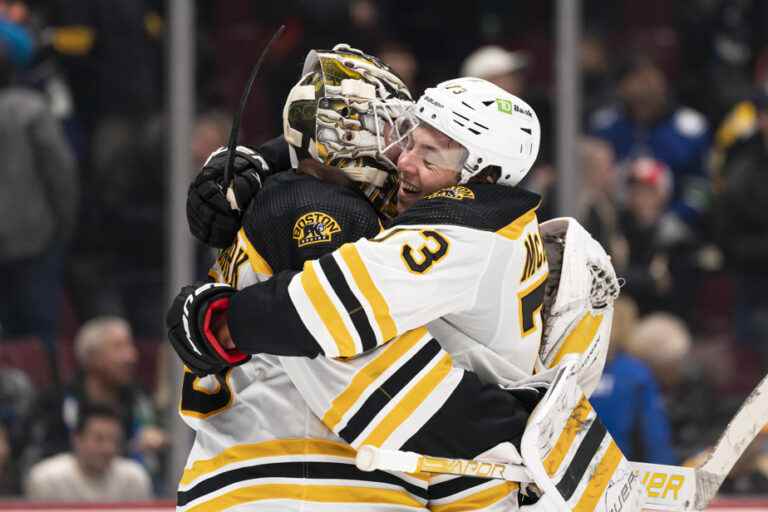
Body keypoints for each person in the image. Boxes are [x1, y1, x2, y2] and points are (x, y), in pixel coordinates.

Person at [170, 46, 618, 510]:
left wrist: (217, 317)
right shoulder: (325, 208)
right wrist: (513, 423)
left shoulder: (435, 222)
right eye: (400, 134)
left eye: (426, 150)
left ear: (478, 173)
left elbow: (334, 320)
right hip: (305, 479)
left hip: (285, 476)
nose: (399, 156)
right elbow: (342, 335)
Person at [21, 317, 167, 483]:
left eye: (130, 346)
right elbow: (35, 454)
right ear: (91, 356)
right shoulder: (55, 401)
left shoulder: (139, 398)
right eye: (119, 347)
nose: (131, 356)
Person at [24, 404, 152, 502]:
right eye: (99, 439)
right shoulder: (47, 479)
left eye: (114, 440)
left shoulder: (134, 478)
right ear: (77, 439)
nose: (108, 448)